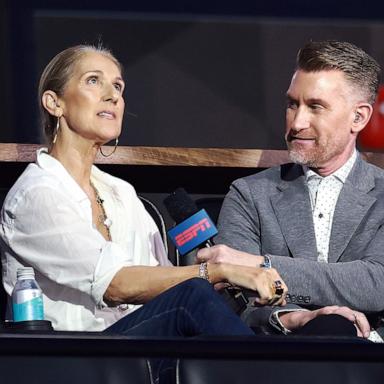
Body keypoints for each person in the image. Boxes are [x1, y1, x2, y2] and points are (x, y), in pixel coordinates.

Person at [0, 44, 290, 382]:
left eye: (119, 86)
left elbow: (164, 286)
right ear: (55, 103)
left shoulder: (120, 193)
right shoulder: (37, 194)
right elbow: (118, 285)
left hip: (133, 352)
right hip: (70, 360)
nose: (113, 96)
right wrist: (218, 271)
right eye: (94, 81)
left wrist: (239, 288)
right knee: (193, 296)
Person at [197, 40, 384, 340]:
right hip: (281, 355)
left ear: (359, 117)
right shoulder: (249, 195)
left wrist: (263, 266)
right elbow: (233, 296)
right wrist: (295, 318)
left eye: (315, 107)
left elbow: (377, 283)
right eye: (292, 104)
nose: (297, 123)